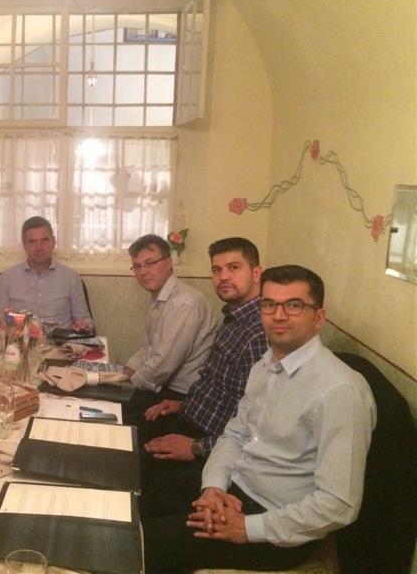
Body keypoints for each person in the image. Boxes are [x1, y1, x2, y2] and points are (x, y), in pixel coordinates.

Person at [142, 265, 376, 572]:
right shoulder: (264, 366)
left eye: (294, 305)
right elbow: (235, 434)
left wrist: (247, 528)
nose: (278, 315)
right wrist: (213, 488)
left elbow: (339, 503)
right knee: (141, 493)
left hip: (276, 522)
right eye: (269, 304)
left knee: (147, 544)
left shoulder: (339, 391)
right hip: (235, 488)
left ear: (319, 318)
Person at [140, 238, 267, 471]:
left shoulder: (258, 334)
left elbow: (258, 427)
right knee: (120, 434)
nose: (223, 277)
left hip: (208, 444)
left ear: (256, 273)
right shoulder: (234, 319)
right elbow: (219, 388)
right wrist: (183, 405)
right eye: (217, 270)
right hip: (191, 416)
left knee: (131, 464)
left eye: (234, 267)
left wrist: (197, 447)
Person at [123, 234, 216, 423]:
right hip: (162, 388)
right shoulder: (159, 298)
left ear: (168, 262)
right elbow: (149, 348)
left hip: (181, 398)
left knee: (115, 420)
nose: (143, 271)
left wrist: (129, 382)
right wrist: (126, 370)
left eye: (150, 263)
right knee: (104, 404)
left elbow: (163, 365)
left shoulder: (186, 303)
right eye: (137, 266)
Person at [0, 216, 93, 330]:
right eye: (32, 242)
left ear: (53, 242)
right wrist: (4, 326)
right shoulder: (9, 278)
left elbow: (86, 321)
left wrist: (84, 326)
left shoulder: (71, 277)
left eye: (44, 240)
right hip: (22, 339)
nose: (39, 248)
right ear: (24, 245)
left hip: (61, 340)